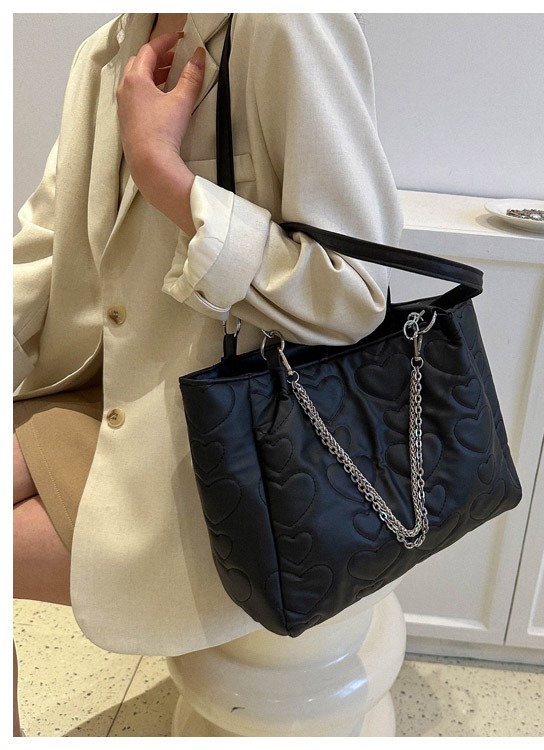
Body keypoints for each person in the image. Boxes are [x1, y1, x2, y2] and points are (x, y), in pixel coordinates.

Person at [13, 13, 402, 736]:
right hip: (99, 395)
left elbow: (354, 296)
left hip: (230, 450)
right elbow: (40, 244)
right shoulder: (105, 50)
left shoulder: (287, 27)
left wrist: (165, 176)